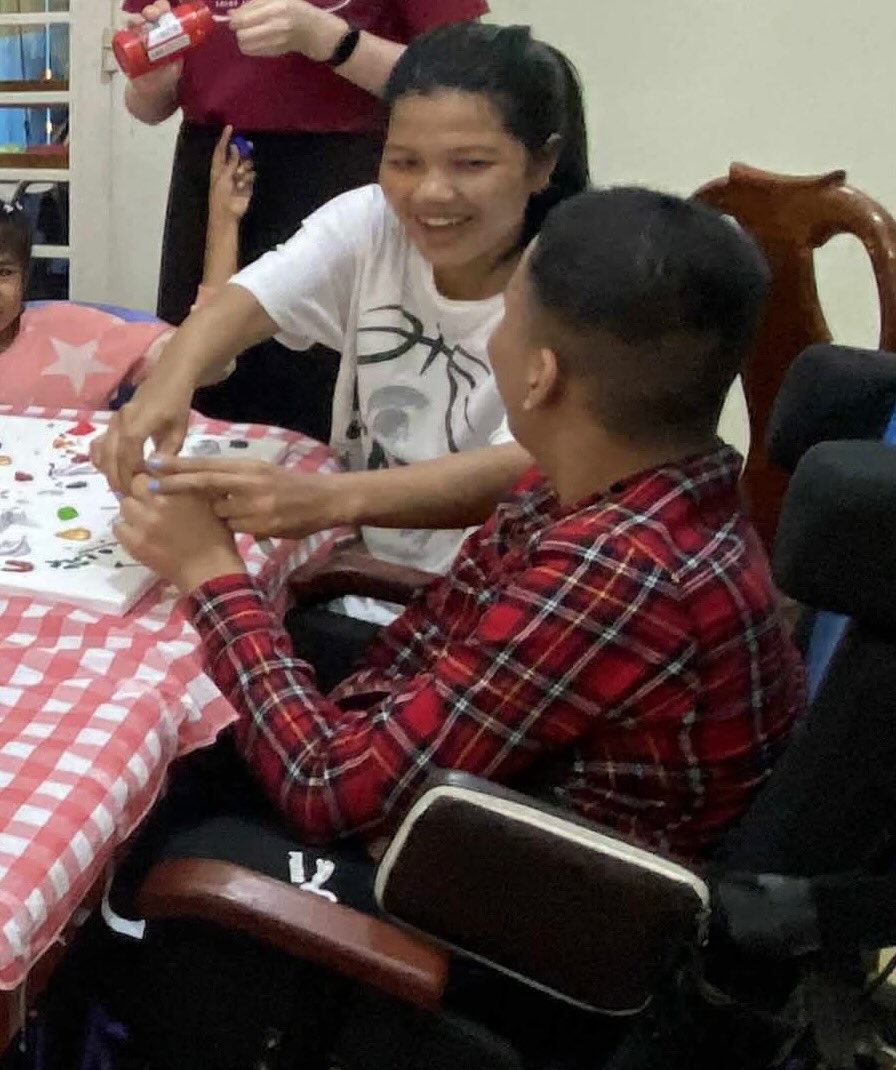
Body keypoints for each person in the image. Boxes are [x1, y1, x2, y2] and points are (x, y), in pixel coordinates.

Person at [103, 185, 804, 1070]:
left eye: (506, 318)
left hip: (522, 929)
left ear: (541, 372)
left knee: (159, 856)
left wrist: (212, 576)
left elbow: (330, 788)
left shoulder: (618, 572)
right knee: (187, 751)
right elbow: (435, 646)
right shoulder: (625, 482)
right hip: (475, 815)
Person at [94, 22, 592, 583]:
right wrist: (167, 385)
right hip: (361, 574)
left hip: (494, 594)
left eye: (471, 165)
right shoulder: (371, 220)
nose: (430, 192)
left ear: (543, 163)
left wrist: (332, 499)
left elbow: (533, 463)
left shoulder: (578, 281)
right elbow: (248, 300)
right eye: (404, 162)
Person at [121, 0, 489, 440]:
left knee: (332, 395)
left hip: (344, 168)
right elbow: (150, 106)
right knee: (201, 387)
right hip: (213, 168)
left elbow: (466, 78)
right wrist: (152, 86)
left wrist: (331, 40)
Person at [0, 129, 250, 410]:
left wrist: (224, 217)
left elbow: (213, 359)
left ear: (25, 276)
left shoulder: (72, 333)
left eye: (4, 272)